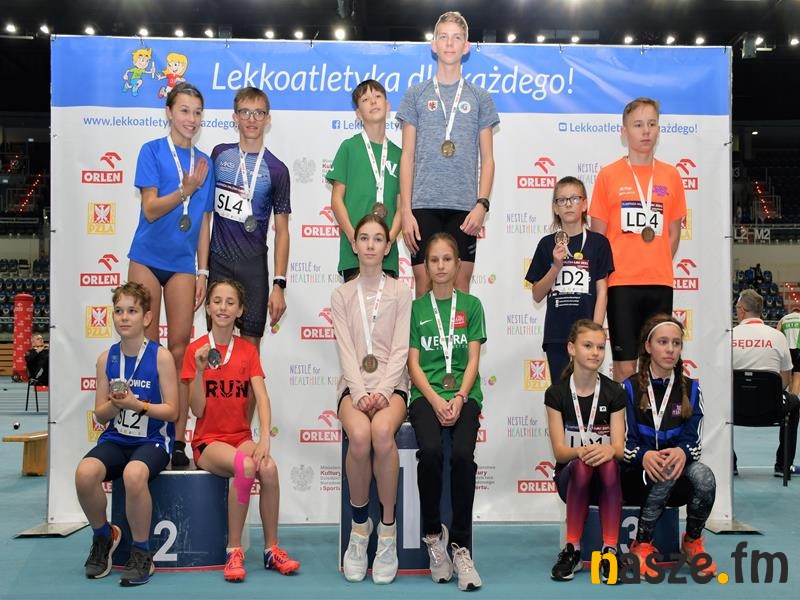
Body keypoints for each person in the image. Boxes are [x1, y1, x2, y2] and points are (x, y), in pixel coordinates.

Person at [182, 279, 299, 582]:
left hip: (240, 438)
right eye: (217, 301)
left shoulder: (247, 350)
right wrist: (199, 371)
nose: (223, 307)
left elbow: (262, 397)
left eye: (230, 302)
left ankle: (271, 549)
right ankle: (233, 550)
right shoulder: (196, 350)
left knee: (268, 468)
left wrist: (264, 439)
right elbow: (197, 410)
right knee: (245, 467)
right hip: (208, 443)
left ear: (240, 310)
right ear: (208, 308)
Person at [128, 82, 215, 468]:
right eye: (184, 110)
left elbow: (204, 222)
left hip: (182, 264)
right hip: (147, 257)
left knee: (180, 349)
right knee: (147, 348)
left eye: (196, 112)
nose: (191, 119)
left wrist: (203, 271)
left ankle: (177, 440)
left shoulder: (204, 162)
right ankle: (148, 436)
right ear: (169, 112)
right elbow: (149, 209)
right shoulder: (152, 151)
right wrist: (185, 190)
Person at [74, 282, 178, 586]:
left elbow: (172, 411)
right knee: (84, 474)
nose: (124, 317)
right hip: (117, 439)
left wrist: (137, 405)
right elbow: (100, 415)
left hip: (154, 441)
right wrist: (115, 405)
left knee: (134, 474)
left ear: (146, 317)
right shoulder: (106, 359)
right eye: (119, 310)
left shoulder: (161, 357)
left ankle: (142, 552)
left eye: (132, 310)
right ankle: (104, 535)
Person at [396, 11, 499, 297]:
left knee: (461, 286)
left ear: (466, 46)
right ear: (434, 44)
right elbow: (407, 156)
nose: (450, 43)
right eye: (443, 37)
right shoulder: (415, 94)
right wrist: (406, 211)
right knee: (423, 284)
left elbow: (488, 159)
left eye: (456, 38)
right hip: (422, 205)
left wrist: (482, 205)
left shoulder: (480, 97)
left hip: (465, 207)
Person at [331, 214, 411, 584]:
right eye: (363, 238)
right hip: (353, 385)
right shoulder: (341, 295)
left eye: (378, 238)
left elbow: (400, 349)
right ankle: (360, 529)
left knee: (381, 432)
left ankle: (388, 533)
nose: (370, 245)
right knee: (360, 437)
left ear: (388, 246)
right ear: (354, 244)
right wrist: (361, 392)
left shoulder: (401, 292)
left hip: (392, 386)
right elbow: (346, 350)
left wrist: (382, 391)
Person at [408, 232, 486, 591]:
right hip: (426, 396)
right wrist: (437, 400)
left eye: (447, 259)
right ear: (426, 266)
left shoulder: (472, 305)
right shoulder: (416, 309)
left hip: (465, 396)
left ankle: (461, 547)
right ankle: (432, 537)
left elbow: (473, 359)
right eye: (434, 260)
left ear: (457, 265)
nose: (440, 266)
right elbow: (413, 364)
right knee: (431, 452)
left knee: (463, 457)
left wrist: (460, 397)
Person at [589, 97, 686, 383]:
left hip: (660, 282)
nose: (646, 131)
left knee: (658, 364)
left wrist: (655, 261)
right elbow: (598, 238)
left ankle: (652, 414)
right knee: (624, 367)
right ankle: (625, 416)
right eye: (638, 125)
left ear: (658, 130)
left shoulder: (671, 175)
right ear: (624, 132)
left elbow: (673, 233)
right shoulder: (608, 175)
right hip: (621, 284)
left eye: (652, 124)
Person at [209, 86, 290, 422]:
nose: (252, 119)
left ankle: (242, 431)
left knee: (250, 356)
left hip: (254, 269)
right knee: (215, 352)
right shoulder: (219, 155)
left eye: (258, 113)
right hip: (218, 263)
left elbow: (282, 230)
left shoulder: (277, 170)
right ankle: (215, 429)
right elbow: (205, 215)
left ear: (268, 119)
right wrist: (201, 271)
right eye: (245, 112)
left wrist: (279, 284)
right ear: (235, 117)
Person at [622, 314, 718, 580]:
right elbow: (624, 444)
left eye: (676, 343)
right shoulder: (628, 388)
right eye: (662, 342)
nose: (670, 349)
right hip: (636, 475)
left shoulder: (692, 388)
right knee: (664, 468)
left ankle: (692, 542)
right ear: (648, 346)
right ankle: (642, 544)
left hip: (674, 475)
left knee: (705, 477)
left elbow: (694, 443)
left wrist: (682, 452)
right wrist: (644, 456)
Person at [545, 319, 625, 582]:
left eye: (600, 347)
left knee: (610, 463)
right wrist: (582, 452)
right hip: (570, 480)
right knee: (581, 466)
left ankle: (610, 551)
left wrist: (608, 450)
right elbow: (559, 452)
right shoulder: (556, 393)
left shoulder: (614, 392)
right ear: (571, 348)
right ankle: (572, 550)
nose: (595, 353)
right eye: (588, 346)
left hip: (606, 481)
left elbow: (619, 447)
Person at [527, 176, 614, 381]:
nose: (568, 204)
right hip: (557, 333)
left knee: (587, 390)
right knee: (561, 392)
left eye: (574, 199)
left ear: (584, 204)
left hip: (587, 335)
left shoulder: (598, 243)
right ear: (555, 208)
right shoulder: (546, 244)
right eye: (561, 200)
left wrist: (595, 331)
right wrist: (555, 267)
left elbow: (602, 290)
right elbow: (537, 294)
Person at [328, 80, 402, 281]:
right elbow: (336, 200)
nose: (373, 102)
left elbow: (402, 206)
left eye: (377, 96)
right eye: (365, 99)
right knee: (355, 301)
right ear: (358, 113)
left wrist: (388, 240)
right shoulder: (349, 147)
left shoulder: (399, 155)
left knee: (386, 301)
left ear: (388, 105)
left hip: (387, 256)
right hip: (354, 254)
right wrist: (354, 237)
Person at [732, 289, 799, 475]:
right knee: (794, 403)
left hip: (734, 409)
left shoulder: (729, 336)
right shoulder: (778, 337)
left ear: (741, 310)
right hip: (772, 410)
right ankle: (783, 465)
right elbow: (785, 379)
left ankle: (729, 463)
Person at [777, 306, 800, 396]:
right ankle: (794, 401)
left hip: (786, 350)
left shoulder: (783, 319)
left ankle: (789, 398)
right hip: (798, 349)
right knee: (797, 375)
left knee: (789, 375)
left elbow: (777, 333)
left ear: (791, 312)